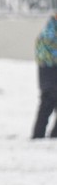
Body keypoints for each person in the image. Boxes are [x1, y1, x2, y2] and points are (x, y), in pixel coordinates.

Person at [33, 9, 57, 138]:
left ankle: (53, 134)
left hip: (49, 71)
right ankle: (38, 134)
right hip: (49, 71)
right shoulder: (49, 33)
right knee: (47, 102)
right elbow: (47, 52)